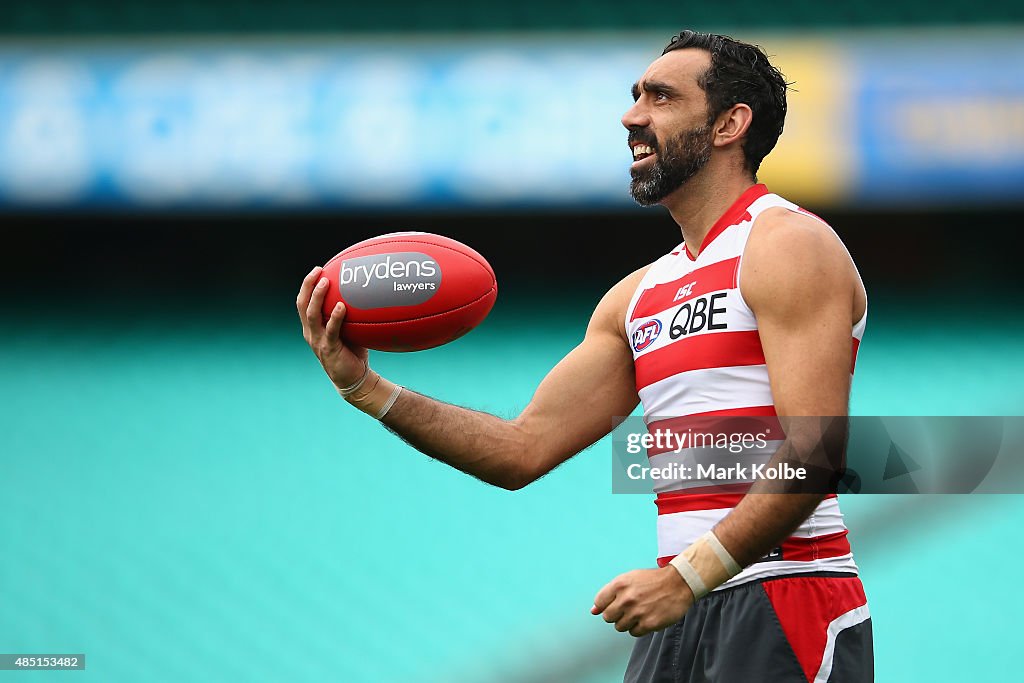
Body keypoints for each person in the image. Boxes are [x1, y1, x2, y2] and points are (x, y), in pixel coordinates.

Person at [297, 30, 872, 683]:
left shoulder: (787, 244)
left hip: (785, 595)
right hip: (683, 605)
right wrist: (367, 390)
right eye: (635, 96)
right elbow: (521, 449)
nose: (631, 116)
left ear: (728, 125)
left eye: (660, 97)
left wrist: (687, 577)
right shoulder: (637, 296)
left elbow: (817, 451)